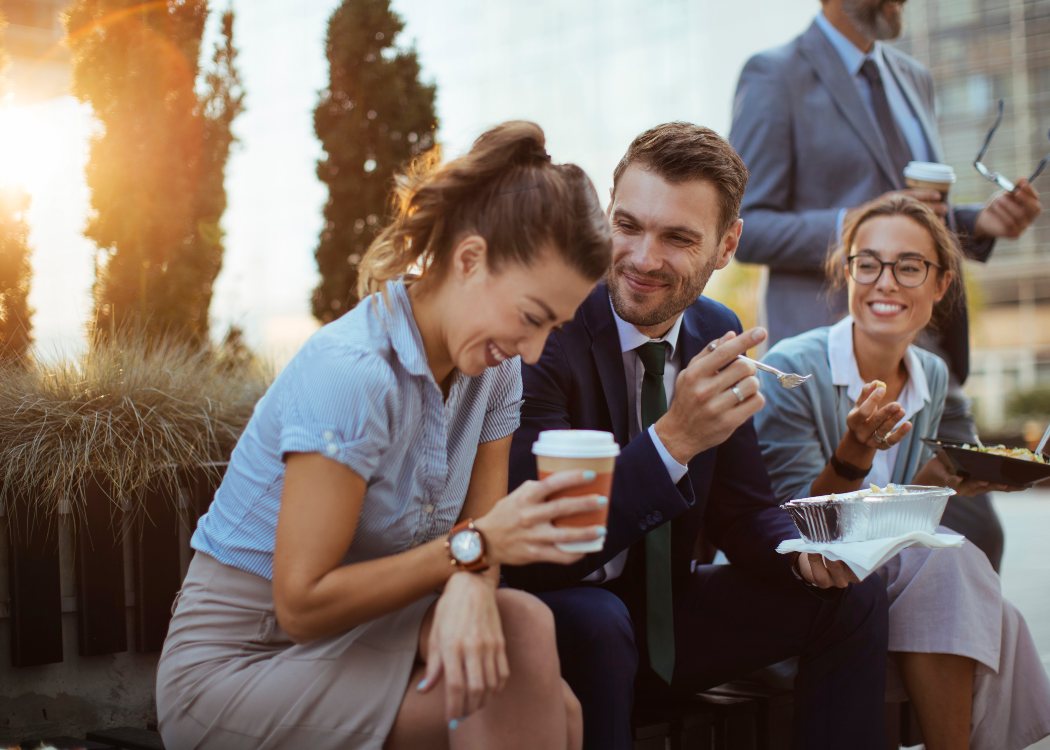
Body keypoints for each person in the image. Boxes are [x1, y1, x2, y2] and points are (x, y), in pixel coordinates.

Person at [154, 121, 616, 750]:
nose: (533, 351)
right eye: (530, 317)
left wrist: (473, 583)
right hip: (243, 661)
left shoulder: (495, 372)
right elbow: (303, 603)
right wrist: (470, 555)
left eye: (552, 329)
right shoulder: (353, 373)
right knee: (536, 709)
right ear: (469, 258)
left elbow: (477, 549)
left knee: (526, 625)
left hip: (369, 629)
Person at [505, 122, 890, 750]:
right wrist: (672, 441)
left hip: (669, 614)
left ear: (726, 244)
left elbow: (743, 509)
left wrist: (806, 554)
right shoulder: (548, 327)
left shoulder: (717, 325)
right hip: (560, 608)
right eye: (627, 226)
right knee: (601, 623)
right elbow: (544, 543)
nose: (643, 258)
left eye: (678, 237)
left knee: (851, 597)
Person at [728, 0, 1044, 570]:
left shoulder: (913, 77)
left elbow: (923, 215)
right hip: (827, 366)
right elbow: (747, 226)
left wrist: (977, 222)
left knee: (974, 539)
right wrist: (861, 226)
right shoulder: (774, 73)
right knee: (838, 545)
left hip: (924, 360)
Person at [756, 194, 1050, 750]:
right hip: (809, 581)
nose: (885, 281)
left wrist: (945, 477)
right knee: (953, 563)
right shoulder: (794, 369)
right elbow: (795, 526)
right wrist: (852, 454)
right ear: (847, 275)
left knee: (968, 585)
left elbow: (895, 501)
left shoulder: (931, 375)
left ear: (940, 285)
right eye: (868, 264)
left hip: (883, 577)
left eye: (909, 266)